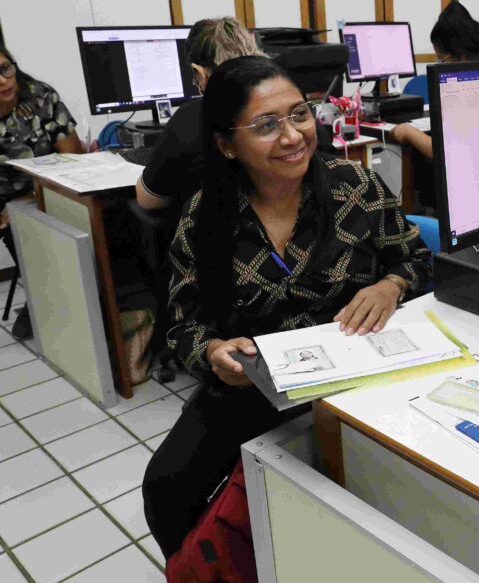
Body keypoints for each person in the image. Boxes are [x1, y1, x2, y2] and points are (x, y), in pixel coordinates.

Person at [142, 56, 431, 558]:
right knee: (167, 488)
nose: (294, 135)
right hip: (256, 389)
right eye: (266, 125)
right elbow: (181, 324)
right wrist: (212, 352)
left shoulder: (353, 186)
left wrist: (390, 284)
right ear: (227, 143)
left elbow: (415, 255)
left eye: (299, 114)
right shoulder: (205, 215)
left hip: (357, 374)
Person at [135, 17, 267, 215]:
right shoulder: (292, 107)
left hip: (221, 240)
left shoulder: (190, 118)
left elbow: (149, 200)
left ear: (201, 72)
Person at [0, 44, 84, 338]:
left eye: (5, 68)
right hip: (6, 205)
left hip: (50, 188)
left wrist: (33, 197)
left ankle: (59, 301)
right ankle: (45, 301)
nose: (2, 80)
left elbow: (74, 158)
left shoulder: (39, 96)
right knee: (21, 232)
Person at [391, 2, 479, 161]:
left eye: (442, 59)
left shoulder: (478, 87)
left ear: (461, 55)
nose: (440, 66)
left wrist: (407, 132)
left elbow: (447, 153)